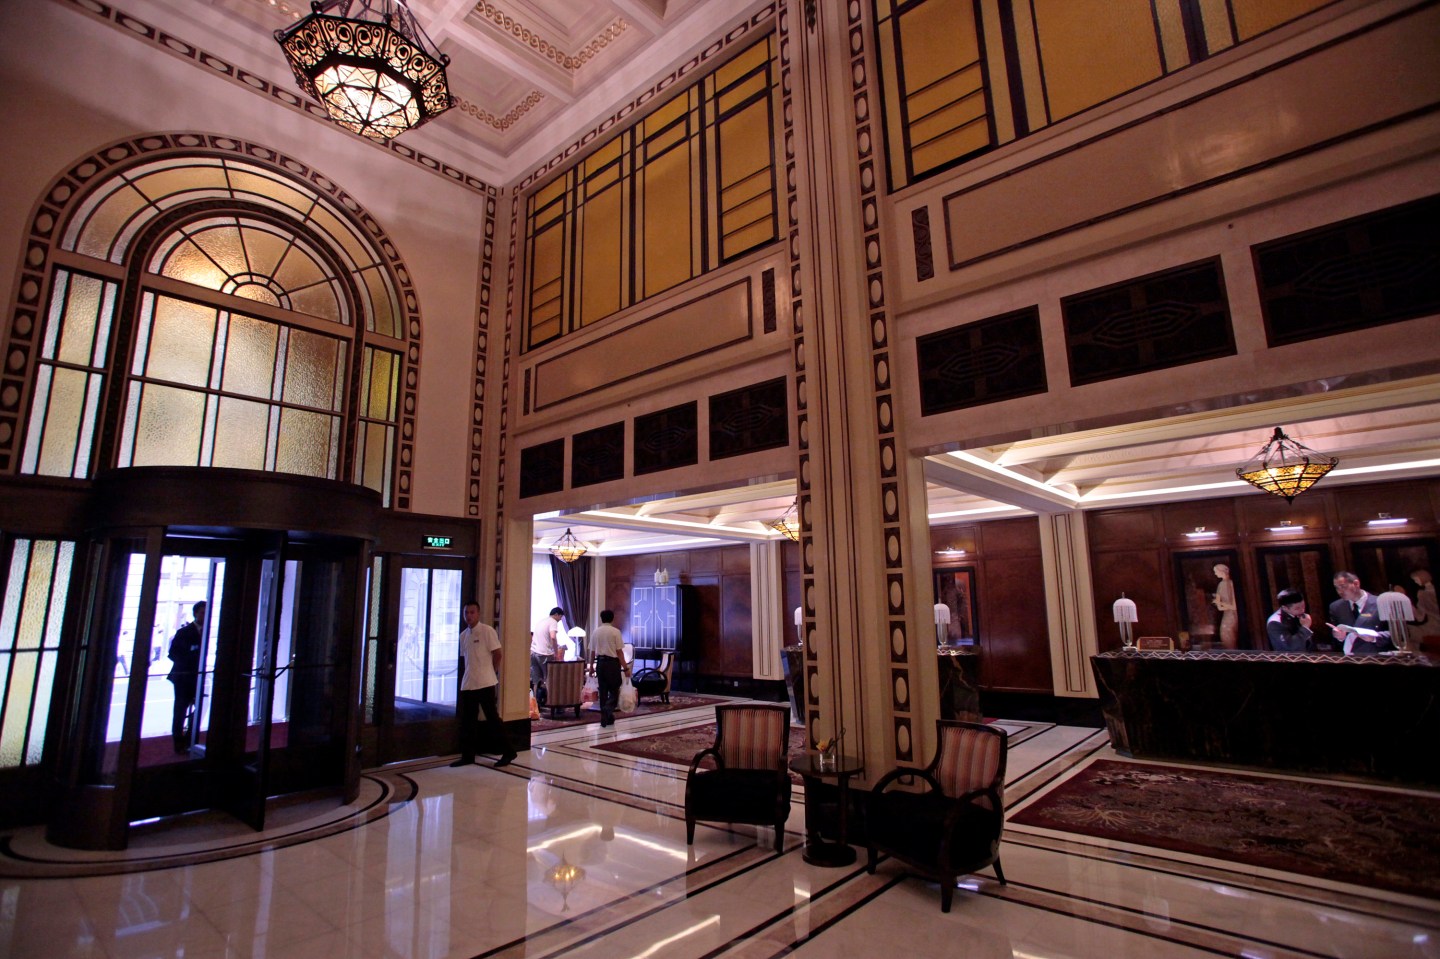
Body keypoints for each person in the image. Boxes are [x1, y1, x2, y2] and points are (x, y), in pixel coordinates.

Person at [451, 600, 516, 769]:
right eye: (466, 613)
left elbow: (498, 654)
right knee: (468, 720)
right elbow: (466, 660)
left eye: (472, 612)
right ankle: (467, 756)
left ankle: (508, 751)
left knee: (492, 718)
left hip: (485, 683)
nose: (469, 616)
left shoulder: (487, 631)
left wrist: (491, 672)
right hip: (468, 684)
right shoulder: (463, 636)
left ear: (478, 614)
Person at [167, 601, 205, 752]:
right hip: (183, 676)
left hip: (197, 675)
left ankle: (190, 739)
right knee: (180, 709)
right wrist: (188, 660)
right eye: (202, 613)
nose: (204, 616)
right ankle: (178, 742)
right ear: (195, 614)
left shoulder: (206, 631)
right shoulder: (184, 632)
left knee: (199, 706)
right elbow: (173, 654)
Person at [1327, 571, 1393, 655]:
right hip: (1350, 658)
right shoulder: (1336, 607)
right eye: (1337, 588)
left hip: (1378, 657)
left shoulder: (1380, 603)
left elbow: (1397, 634)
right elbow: (1333, 642)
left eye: (1343, 586)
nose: (1340, 591)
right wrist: (1340, 637)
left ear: (1356, 583)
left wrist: (1375, 637)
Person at [591, 609, 627, 727]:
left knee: (603, 691)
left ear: (601, 619)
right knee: (615, 690)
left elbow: (592, 652)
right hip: (612, 664)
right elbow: (619, 652)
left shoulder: (596, 632)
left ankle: (606, 717)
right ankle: (607, 710)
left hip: (600, 664)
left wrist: (591, 667)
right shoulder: (615, 632)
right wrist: (626, 668)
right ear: (612, 619)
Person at [531, 606, 564, 690]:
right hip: (544, 654)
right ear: (556, 614)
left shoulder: (541, 621)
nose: (560, 620)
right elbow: (553, 637)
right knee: (549, 679)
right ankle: (548, 698)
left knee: (537, 681)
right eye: (560, 617)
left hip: (533, 652)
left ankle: (536, 698)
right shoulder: (553, 622)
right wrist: (556, 653)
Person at [1410, 569, 1440, 653]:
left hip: (1433, 627)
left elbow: (1420, 617)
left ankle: (1418, 657)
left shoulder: (1423, 594)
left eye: (1416, 579)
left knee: (1406, 632)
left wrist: (1409, 605)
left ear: (1422, 577)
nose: (1415, 582)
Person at [1212, 564, 1238, 649]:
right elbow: (1219, 606)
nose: (1215, 574)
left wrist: (1221, 603)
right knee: (1225, 636)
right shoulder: (1220, 585)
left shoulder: (1231, 584)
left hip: (1233, 615)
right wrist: (1219, 603)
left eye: (1216, 571)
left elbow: (1234, 606)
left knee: (1229, 635)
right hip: (1226, 615)